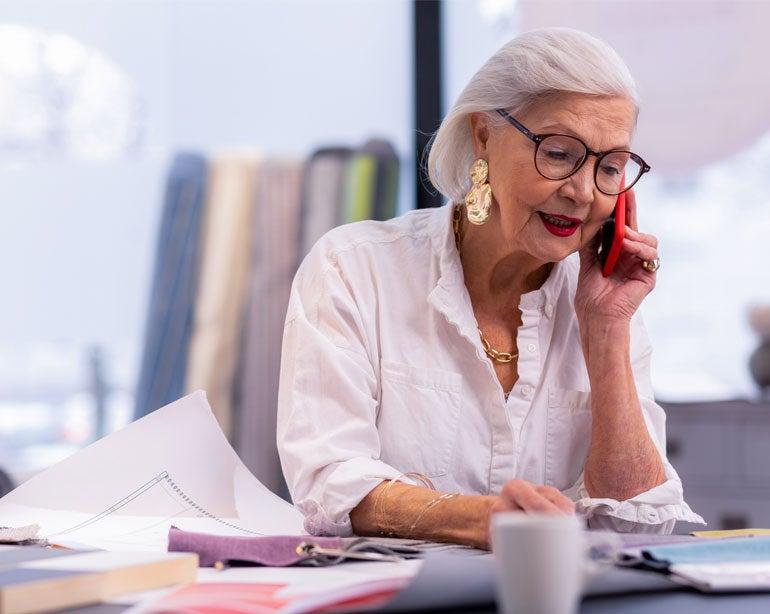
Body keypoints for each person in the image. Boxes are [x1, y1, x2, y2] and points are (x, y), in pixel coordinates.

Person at [277, 27, 703, 548]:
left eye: (610, 167)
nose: (582, 192)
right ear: (483, 135)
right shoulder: (354, 270)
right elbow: (327, 481)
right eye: (559, 152)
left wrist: (605, 330)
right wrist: (484, 519)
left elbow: (639, 523)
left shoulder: (605, 306)